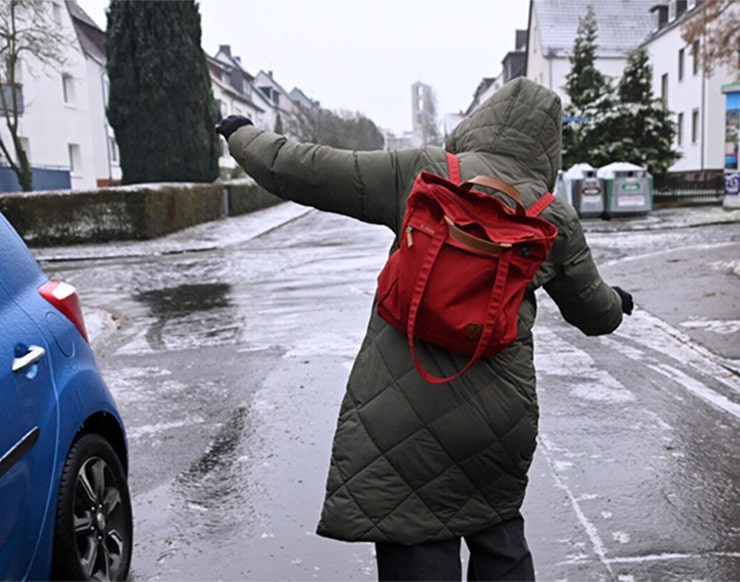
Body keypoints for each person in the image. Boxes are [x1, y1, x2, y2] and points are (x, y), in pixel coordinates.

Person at [216, 77, 633, 581]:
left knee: (416, 539)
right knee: (498, 533)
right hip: (497, 423)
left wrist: (241, 134)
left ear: (480, 120)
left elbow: (307, 169)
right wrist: (620, 303)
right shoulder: (554, 217)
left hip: (400, 416)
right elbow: (595, 314)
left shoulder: (420, 172)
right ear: (549, 146)